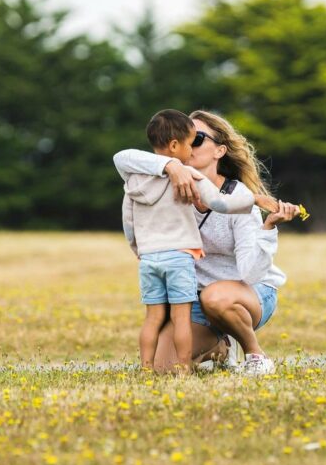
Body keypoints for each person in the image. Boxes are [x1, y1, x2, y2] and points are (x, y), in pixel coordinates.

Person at [113, 110, 301, 375]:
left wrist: (267, 228)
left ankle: (254, 355)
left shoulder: (238, 198)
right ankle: (219, 348)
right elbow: (122, 158)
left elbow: (250, 274)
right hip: (195, 297)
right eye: (184, 137)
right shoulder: (168, 184)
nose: (189, 144)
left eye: (197, 138)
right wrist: (171, 166)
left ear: (219, 151)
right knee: (162, 367)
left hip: (248, 294)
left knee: (216, 297)